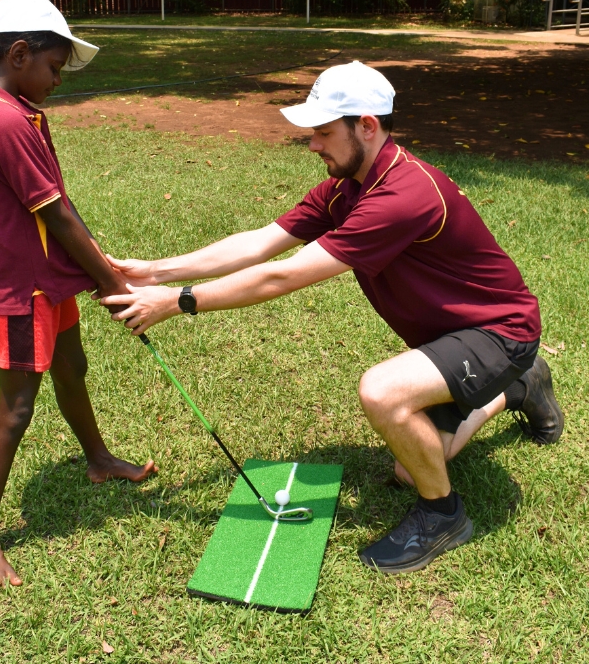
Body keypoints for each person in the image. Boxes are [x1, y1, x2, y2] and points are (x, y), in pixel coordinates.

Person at [100, 61, 563, 574]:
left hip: (499, 332)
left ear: (366, 125)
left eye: (323, 132)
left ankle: (443, 515)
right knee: (410, 467)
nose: (313, 144)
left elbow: (283, 276)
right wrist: (152, 271)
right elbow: (261, 243)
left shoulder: (401, 195)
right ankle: (518, 388)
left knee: (383, 392)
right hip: (452, 336)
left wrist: (177, 301)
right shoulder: (349, 186)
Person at [0, 0, 157, 588]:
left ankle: (96, 459)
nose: (56, 79)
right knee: (17, 409)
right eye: (54, 67)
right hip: (22, 291)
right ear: (19, 55)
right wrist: (108, 279)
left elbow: (58, 209)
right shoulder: (3, 121)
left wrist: (97, 273)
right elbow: (59, 217)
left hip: (47, 279)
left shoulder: (18, 110)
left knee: (73, 367)